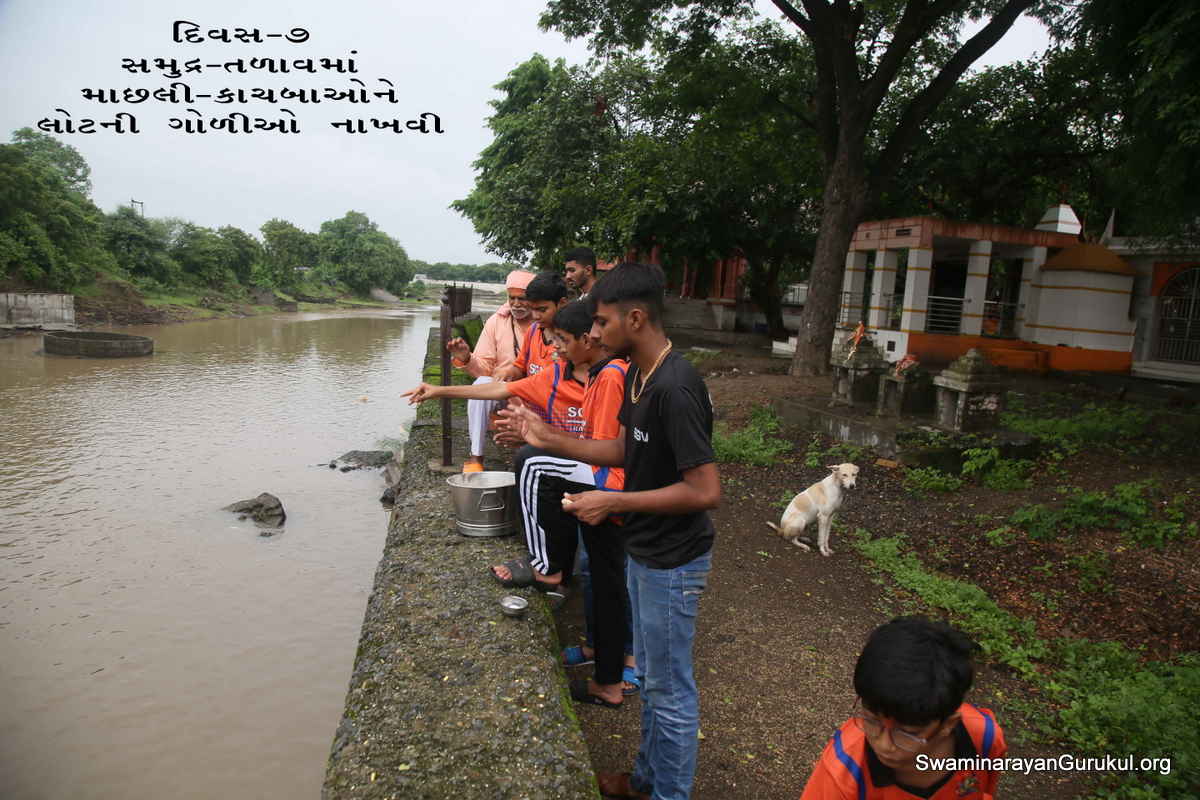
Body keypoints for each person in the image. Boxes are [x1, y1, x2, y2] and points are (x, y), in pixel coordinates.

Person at [500, 262, 721, 800]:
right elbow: (623, 450)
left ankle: (666, 793)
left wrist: (614, 500)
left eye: (601, 322)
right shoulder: (637, 376)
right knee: (653, 681)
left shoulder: (675, 387)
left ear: (635, 318)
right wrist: (547, 437)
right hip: (645, 548)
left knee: (668, 690)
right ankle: (644, 781)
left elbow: (704, 490)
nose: (593, 333)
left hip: (674, 558)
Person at [799, 616, 1007, 800]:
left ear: (948, 725)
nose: (884, 745)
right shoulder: (844, 771)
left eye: (907, 733)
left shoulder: (985, 740)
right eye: (872, 721)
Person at [445, 269, 534, 473]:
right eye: (511, 298)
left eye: (522, 298)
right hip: (504, 393)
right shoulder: (497, 321)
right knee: (481, 385)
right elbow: (484, 370)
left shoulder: (543, 323)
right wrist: (466, 358)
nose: (516, 304)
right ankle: (476, 456)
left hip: (537, 396)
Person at [492, 271, 569, 382]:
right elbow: (520, 368)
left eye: (542, 310)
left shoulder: (572, 339)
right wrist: (507, 374)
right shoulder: (533, 331)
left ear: (562, 303)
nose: (535, 316)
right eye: (532, 309)